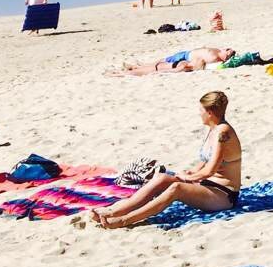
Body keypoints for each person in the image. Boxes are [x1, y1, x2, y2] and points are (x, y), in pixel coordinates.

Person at [94, 90, 242, 227]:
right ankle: (115, 211)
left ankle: (124, 220)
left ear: (209, 112)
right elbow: (204, 162)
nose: (199, 114)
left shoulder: (223, 133)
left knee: (176, 188)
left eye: (201, 111)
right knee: (162, 178)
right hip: (206, 185)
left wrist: (188, 178)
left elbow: (210, 170)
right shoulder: (213, 129)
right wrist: (190, 172)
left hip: (223, 195)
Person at [112, 46, 237, 75]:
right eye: (229, 52)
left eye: (229, 55)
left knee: (161, 64)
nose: (228, 54)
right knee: (162, 61)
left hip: (187, 60)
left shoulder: (215, 58)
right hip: (186, 55)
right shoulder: (216, 50)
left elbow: (202, 63)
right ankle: (140, 65)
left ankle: (137, 67)